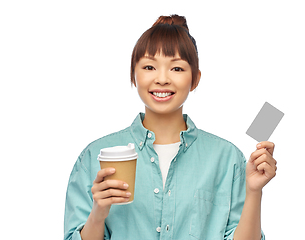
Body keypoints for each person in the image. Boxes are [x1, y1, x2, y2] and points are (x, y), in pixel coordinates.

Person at [64, 14, 277, 240]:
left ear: (195, 79)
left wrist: (254, 191)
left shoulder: (227, 158)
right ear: (134, 75)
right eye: (149, 66)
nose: (162, 79)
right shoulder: (94, 157)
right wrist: (98, 213)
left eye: (176, 69)